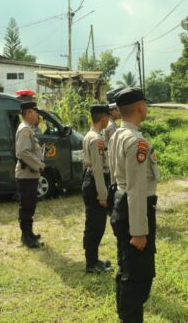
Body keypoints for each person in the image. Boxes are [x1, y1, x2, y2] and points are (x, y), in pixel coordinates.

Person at [108, 87, 159, 323]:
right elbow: (137, 190)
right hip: (134, 209)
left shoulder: (118, 134)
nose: (146, 108)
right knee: (138, 277)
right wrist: (139, 232)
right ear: (140, 107)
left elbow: (115, 178)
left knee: (127, 268)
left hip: (121, 204)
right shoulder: (136, 141)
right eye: (145, 104)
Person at [82, 104, 114, 273]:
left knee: (93, 223)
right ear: (103, 118)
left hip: (89, 181)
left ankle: (93, 259)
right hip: (96, 183)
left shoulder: (90, 135)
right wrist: (102, 195)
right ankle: (92, 263)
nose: (108, 120)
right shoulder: (97, 139)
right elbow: (98, 170)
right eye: (107, 117)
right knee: (96, 225)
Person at [15, 101, 45, 249]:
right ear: (28, 113)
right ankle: (26, 237)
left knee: (30, 205)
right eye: (35, 111)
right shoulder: (25, 130)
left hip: (30, 174)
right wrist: (38, 163)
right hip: (26, 174)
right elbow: (22, 152)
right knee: (26, 206)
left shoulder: (29, 129)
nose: (37, 114)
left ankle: (29, 233)